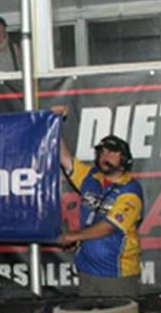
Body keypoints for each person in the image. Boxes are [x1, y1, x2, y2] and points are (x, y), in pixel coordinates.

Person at [50, 104, 144, 297]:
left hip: (117, 274)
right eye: (102, 152)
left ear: (125, 159)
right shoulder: (90, 177)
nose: (104, 156)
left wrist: (71, 236)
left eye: (111, 152)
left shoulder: (131, 190)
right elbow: (64, 158)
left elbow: (108, 227)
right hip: (87, 271)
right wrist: (55, 122)